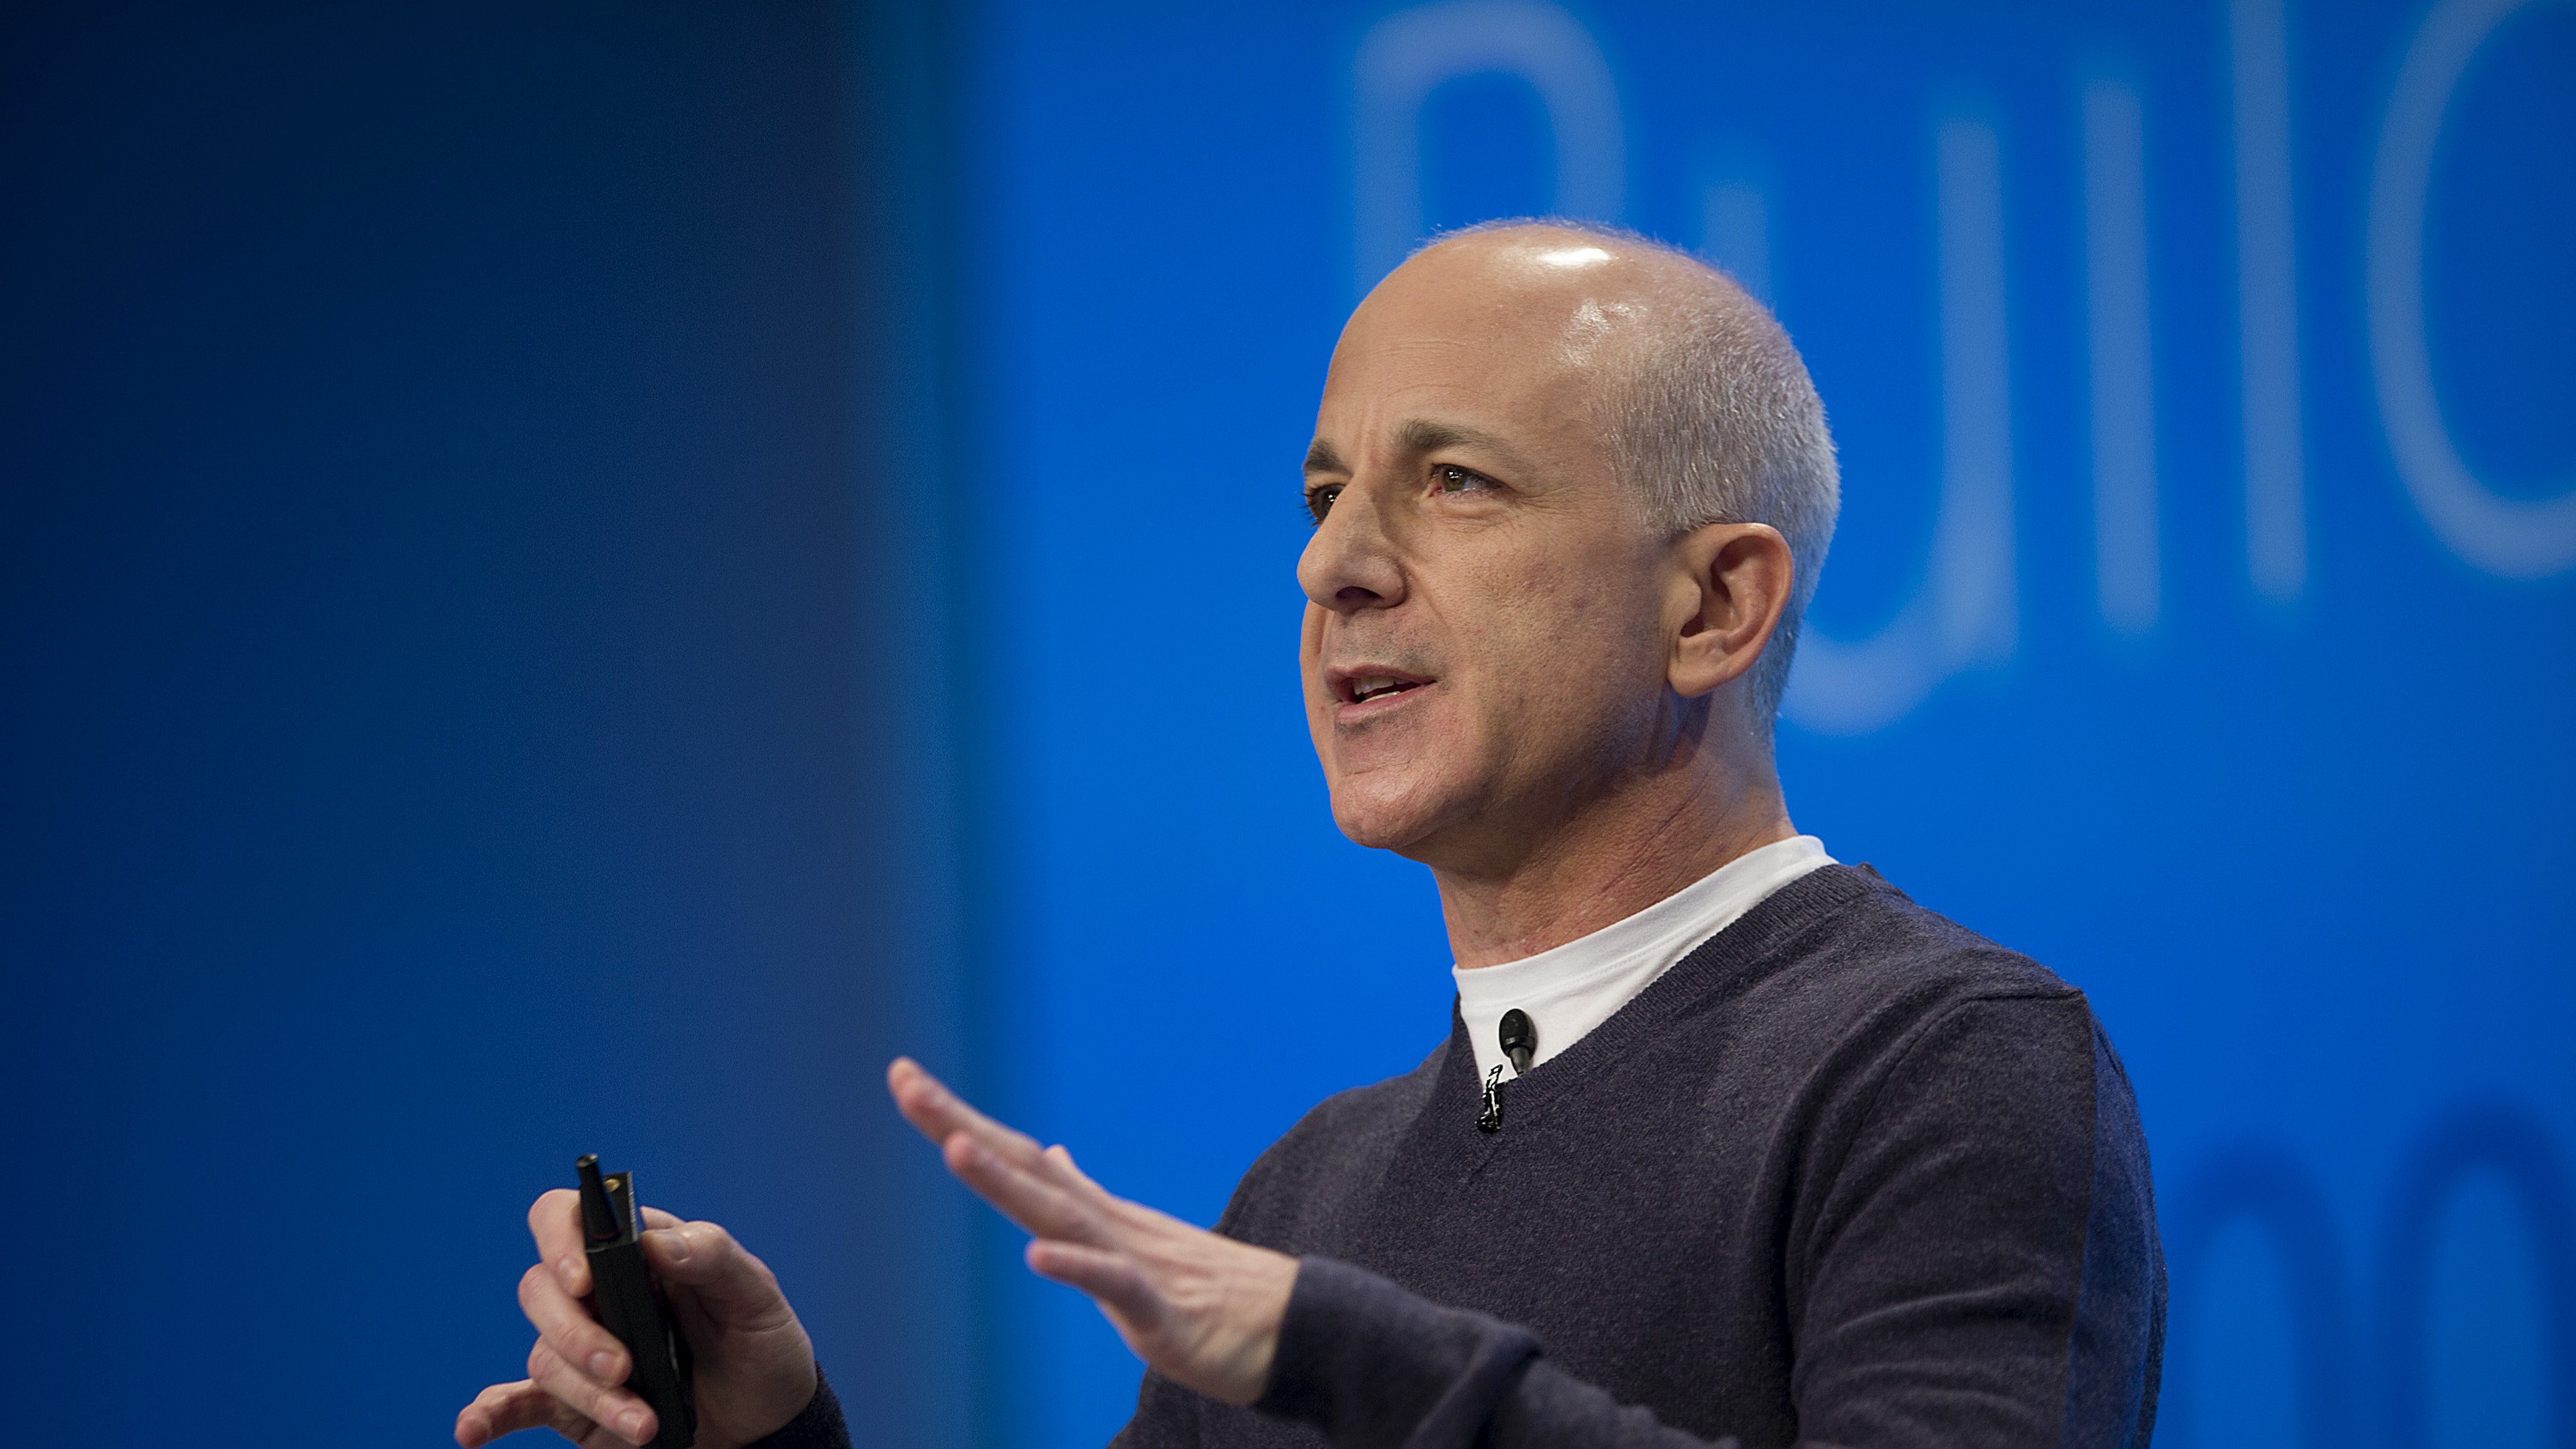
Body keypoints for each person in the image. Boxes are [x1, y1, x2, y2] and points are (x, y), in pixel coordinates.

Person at [456, 220, 2164, 1449]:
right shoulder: (1307, 1192)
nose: (1330, 564)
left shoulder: (1944, 1069)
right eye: (1323, 492)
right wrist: (767, 1438)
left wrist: (1323, 1344)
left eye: (1454, 484)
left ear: (1714, 603)